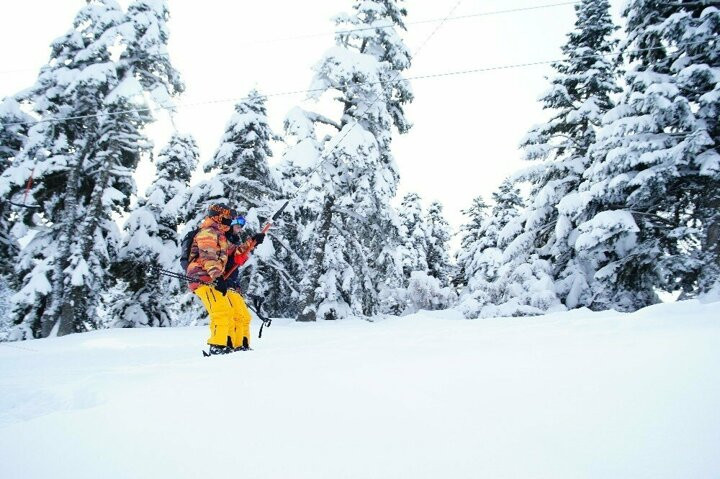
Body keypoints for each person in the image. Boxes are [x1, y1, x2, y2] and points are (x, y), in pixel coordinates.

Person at [186, 203, 265, 355]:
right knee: (221, 312)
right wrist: (217, 277)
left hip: (212, 278)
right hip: (203, 278)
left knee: (229, 312)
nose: (231, 222)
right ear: (220, 217)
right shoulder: (207, 233)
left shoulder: (220, 236)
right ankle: (217, 346)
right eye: (229, 218)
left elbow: (235, 252)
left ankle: (233, 345)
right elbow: (208, 257)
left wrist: (253, 241)